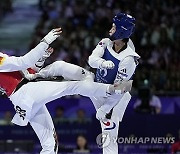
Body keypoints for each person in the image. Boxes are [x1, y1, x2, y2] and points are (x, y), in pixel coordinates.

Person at [0, 27, 132, 154]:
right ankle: (112, 89)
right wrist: (45, 40)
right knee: (72, 86)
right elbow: (25, 61)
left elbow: (25, 71)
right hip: (25, 91)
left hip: (23, 98)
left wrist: (40, 60)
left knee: (50, 144)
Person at [87, 12, 140, 154]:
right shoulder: (107, 41)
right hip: (98, 87)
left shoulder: (128, 59)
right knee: (75, 74)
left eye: (114, 27)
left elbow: (119, 89)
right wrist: (103, 63)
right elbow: (91, 60)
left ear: (122, 32)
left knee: (108, 134)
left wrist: (105, 109)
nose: (111, 30)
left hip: (116, 98)